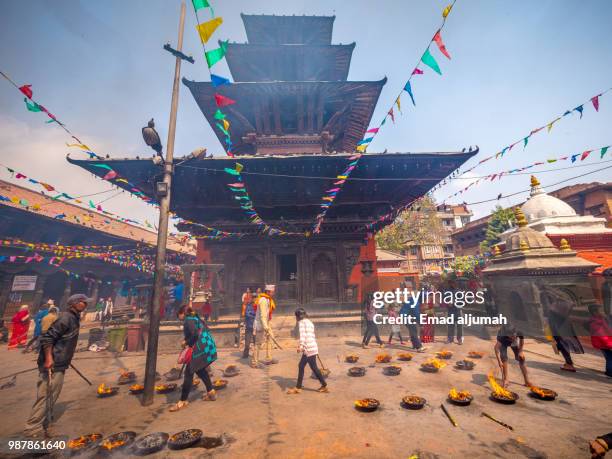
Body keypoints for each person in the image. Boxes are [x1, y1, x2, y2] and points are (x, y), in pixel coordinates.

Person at [23, 294, 89, 438]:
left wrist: (66, 356)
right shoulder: (66, 318)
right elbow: (48, 338)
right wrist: (48, 358)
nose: (85, 304)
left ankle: (45, 423)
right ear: (73, 304)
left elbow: (63, 340)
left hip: (60, 362)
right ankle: (32, 428)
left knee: (52, 394)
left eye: (85, 302)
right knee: (46, 395)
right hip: (53, 364)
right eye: (82, 302)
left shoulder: (74, 318)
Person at [170, 305, 218, 412]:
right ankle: (211, 392)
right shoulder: (196, 318)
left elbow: (195, 334)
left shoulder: (188, 320)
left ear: (182, 313)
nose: (179, 318)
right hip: (206, 346)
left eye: (179, 315)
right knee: (200, 370)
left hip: (198, 350)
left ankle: (182, 401)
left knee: (188, 374)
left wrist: (186, 342)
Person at [287, 308, 328, 394]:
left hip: (308, 349)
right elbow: (311, 335)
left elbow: (303, 336)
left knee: (311, 367)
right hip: (312, 347)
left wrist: (301, 346)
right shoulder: (310, 322)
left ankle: (299, 387)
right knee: (303, 366)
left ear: (298, 316)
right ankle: (300, 386)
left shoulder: (301, 323)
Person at [542, 287, 584, 372]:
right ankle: (568, 363)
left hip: (557, 328)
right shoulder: (568, 303)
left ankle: (569, 364)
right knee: (565, 344)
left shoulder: (554, 306)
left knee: (562, 345)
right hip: (565, 327)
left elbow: (549, 316)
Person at [494, 323, 532, 388]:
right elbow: (496, 348)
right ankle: (506, 379)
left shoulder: (519, 331)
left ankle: (526, 380)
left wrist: (520, 351)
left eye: (513, 335)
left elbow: (521, 341)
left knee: (521, 359)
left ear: (515, 332)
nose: (512, 337)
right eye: (510, 336)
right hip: (504, 343)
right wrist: (499, 361)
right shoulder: (501, 336)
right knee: (503, 357)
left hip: (513, 343)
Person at [252, 285, 277, 367]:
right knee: (258, 343)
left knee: (270, 339)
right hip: (260, 323)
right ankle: (254, 362)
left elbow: (267, 315)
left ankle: (268, 358)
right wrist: (266, 327)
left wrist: (268, 324)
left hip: (266, 322)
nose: (273, 293)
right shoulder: (263, 300)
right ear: (268, 292)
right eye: (272, 291)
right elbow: (262, 315)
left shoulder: (268, 300)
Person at [587, 304, 612, 377]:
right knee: (610, 358)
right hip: (605, 343)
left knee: (609, 357)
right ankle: (609, 372)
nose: (602, 312)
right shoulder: (596, 323)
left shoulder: (600, 320)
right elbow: (602, 336)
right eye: (600, 311)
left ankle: (609, 371)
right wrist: (609, 345)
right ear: (595, 313)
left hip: (605, 342)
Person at [242, 289, 257, 359]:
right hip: (249, 326)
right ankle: (245, 354)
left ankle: (255, 355)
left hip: (256, 327)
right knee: (247, 343)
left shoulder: (258, 306)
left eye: (255, 297)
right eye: (253, 297)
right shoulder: (249, 305)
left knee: (256, 343)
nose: (254, 299)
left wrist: (253, 314)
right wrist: (254, 315)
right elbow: (247, 314)